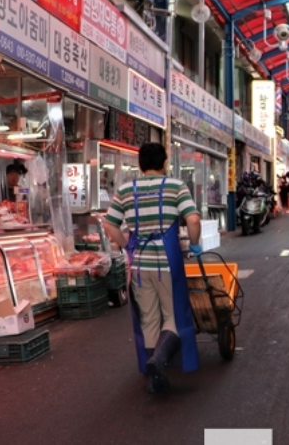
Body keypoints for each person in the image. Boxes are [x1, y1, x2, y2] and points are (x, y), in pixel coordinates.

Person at [103, 143, 202, 395]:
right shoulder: (175, 186)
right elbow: (192, 219)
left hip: (138, 264)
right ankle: (158, 361)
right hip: (167, 261)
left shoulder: (126, 190)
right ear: (165, 163)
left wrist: (127, 246)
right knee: (172, 318)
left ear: (140, 165)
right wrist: (194, 243)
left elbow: (110, 224)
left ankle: (151, 376)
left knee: (148, 319)